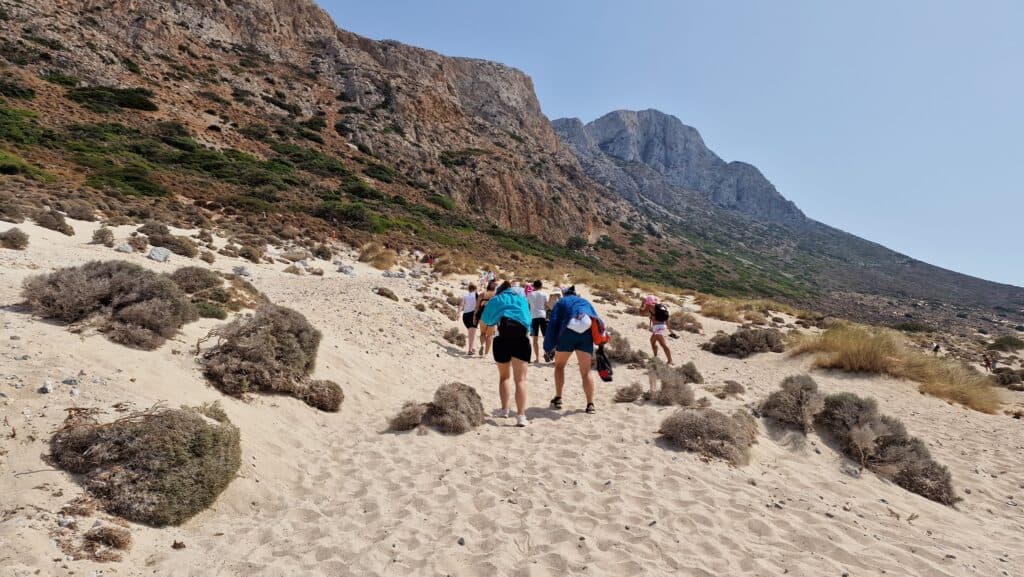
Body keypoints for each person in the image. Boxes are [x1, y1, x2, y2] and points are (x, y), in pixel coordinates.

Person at [543, 285, 604, 414]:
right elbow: (595, 318)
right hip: (586, 335)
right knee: (586, 371)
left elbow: (553, 322)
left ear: (564, 294)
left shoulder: (561, 302)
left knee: (559, 366)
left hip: (567, 334)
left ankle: (558, 398)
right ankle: (590, 404)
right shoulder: (585, 302)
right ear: (575, 294)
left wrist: (549, 346)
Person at [481, 281, 533, 427]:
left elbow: (486, 320)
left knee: (504, 377)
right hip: (521, 340)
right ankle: (521, 416)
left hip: (501, 340)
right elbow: (529, 321)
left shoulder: (496, 299)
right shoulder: (522, 299)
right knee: (521, 380)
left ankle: (504, 410)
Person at [527, 280, 549, 363]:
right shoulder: (544, 294)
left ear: (534, 286)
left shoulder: (529, 294)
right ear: (541, 286)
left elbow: (528, 306)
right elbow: (547, 304)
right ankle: (547, 353)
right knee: (545, 337)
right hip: (543, 316)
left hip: (533, 317)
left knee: (534, 339)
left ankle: (537, 358)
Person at [475, 280, 497, 357]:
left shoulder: (482, 295)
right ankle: (486, 354)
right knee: (490, 335)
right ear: (494, 289)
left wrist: (475, 317)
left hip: (482, 316)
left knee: (482, 333)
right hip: (492, 317)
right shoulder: (496, 296)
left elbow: (477, 307)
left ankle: (482, 344)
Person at [458, 284, 480, 356]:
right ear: (475, 289)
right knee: (472, 333)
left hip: (465, 316)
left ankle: (472, 347)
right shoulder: (478, 295)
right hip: (473, 315)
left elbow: (461, 305)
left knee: (470, 332)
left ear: (469, 289)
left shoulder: (465, 296)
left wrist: (458, 313)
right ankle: (470, 350)